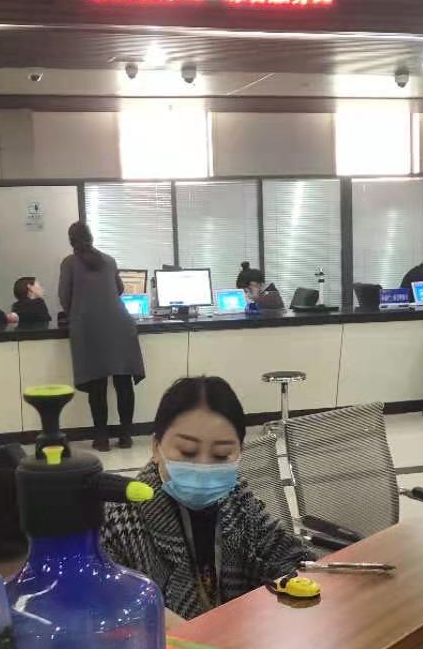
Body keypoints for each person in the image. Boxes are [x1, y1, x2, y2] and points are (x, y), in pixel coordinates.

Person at [102, 376, 312, 620]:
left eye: (221, 455)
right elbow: (108, 608)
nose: (203, 466)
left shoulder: (239, 501)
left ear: (240, 453)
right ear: (156, 447)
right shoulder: (117, 522)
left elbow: (294, 559)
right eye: (187, 452)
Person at [59, 222, 146, 452]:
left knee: (96, 383)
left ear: (71, 241)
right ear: (91, 238)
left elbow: (64, 297)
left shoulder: (69, 263)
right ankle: (126, 436)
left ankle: (101, 439)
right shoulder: (109, 260)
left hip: (89, 327)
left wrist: (78, 312)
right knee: (123, 382)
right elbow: (120, 290)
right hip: (120, 324)